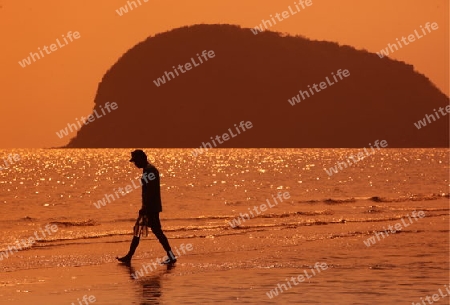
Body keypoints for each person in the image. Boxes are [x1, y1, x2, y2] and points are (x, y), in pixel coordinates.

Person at [117, 150, 176, 264]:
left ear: (142, 158)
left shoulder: (149, 170)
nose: (135, 164)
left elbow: (150, 191)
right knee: (143, 230)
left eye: (136, 161)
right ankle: (170, 255)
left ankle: (171, 256)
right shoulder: (148, 169)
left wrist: (145, 208)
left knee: (146, 231)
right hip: (151, 207)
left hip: (150, 208)